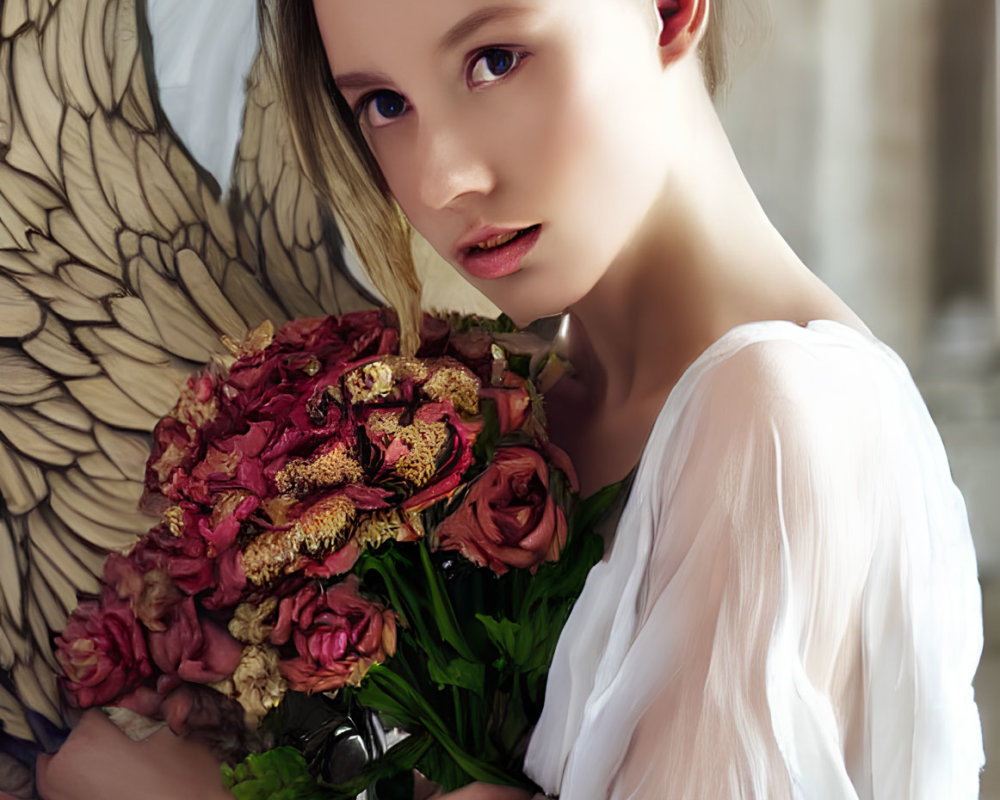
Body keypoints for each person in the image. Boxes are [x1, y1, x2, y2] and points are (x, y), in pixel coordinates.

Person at [38, 0, 985, 797]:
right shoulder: (519, 414)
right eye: (383, 103)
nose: (441, 176)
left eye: (495, 59)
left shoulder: (779, 415)